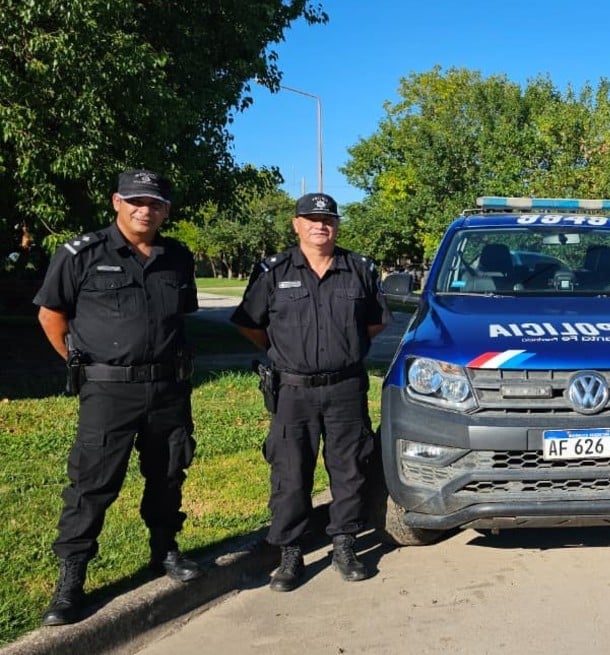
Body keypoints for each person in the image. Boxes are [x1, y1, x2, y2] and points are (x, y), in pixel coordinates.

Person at [32, 169, 202, 626]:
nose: (144, 210)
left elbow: (179, 320)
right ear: (116, 202)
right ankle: (71, 581)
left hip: (167, 388)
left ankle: (164, 550)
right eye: (135, 201)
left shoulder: (177, 257)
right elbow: (51, 315)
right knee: (92, 485)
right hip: (108, 391)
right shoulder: (81, 254)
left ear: (165, 209)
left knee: (167, 474)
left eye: (154, 203)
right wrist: (80, 363)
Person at [231, 192, 390, 592]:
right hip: (293, 392)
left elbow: (374, 324)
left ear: (336, 225)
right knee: (290, 473)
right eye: (312, 218)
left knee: (350, 469)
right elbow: (251, 324)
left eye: (328, 219)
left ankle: (344, 544)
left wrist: (342, 350)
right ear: (296, 224)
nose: (321, 225)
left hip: (345, 389)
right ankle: (290, 552)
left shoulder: (359, 269)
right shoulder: (273, 270)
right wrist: (283, 353)